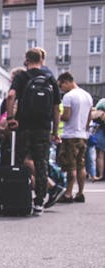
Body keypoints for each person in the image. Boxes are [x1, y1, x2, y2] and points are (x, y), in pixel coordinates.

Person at [5, 48, 61, 215]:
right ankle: (39, 203)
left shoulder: (22, 76)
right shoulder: (50, 78)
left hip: (24, 126)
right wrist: (55, 130)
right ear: (42, 60)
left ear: (26, 59)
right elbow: (57, 108)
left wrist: (10, 118)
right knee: (41, 163)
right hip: (43, 128)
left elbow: (10, 96)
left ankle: (20, 197)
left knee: (21, 161)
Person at [55, 72, 93, 203]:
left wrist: (57, 115)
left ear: (66, 82)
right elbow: (89, 117)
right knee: (81, 165)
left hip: (70, 135)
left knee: (70, 166)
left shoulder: (68, 96)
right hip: (83, 135)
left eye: (61, 86)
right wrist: (85, 129)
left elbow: (67, 116)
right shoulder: (87, 95)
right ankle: (80, 193)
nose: (61, 89)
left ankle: (68, 193)